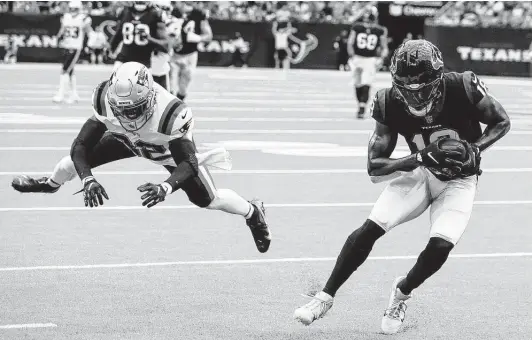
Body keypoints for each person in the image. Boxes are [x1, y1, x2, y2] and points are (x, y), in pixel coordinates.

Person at [293, 40, 511, 334]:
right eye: (405, 84)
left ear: (436, 77)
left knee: (441, 246)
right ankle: (324, 297)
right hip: (420, 172)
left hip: (459, 180)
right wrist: (418, 156)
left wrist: (476, 149)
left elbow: (501, 121)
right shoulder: (388, 101)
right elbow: (375, 166)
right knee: (371, 227)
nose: (413, 91)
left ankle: (401, 292)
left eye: (420, 84)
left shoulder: (463, 86)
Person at [12, 62, 271, 254]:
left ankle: (252, 212)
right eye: (121, 109)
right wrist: (88, 179)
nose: (128, 116)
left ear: (150, 97)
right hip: (126, 140)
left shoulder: (171, 113)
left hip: (164, 149)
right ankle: (50, 184)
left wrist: (165, 186)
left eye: (134, 109)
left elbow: (189, 164)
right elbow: (80, 144)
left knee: (209, 200)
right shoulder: (104, 96)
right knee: (71, 164)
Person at [347, 6, 388, 119]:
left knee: (360, 83)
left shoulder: (357, 27)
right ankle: (362, 106)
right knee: (363, 83)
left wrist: (351, 56)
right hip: (369, 59)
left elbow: (350, 43)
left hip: (360, 58)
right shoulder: (380, 30)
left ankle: (361, 106)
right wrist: (381, 59)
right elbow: (384, 48)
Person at [109, 1, 168, 72]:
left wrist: (150, 39)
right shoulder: (125, 11)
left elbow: (165, 44)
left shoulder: (156, 14)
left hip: (144, 62)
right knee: (116, 82)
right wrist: (110, 48)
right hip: (123, 59)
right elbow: (118, 35)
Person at [53, 0, 93, 103]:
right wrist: (58, 37)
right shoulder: (66, 17)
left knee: (64, 70)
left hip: (75, 48)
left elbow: (90, 32)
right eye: (71, 9)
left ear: (79, 9)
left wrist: (90, 44)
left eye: (75, 9)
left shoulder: (83, 19)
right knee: (70, 72)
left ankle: (61, 94)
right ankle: (74, 94)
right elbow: (62, 29)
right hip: (67, 46)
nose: (73, 11)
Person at [169, 6, 212, 101]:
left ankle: (178, 105)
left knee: (183, 88)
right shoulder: (172, 10)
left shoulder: (199, 14)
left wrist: (197, 38)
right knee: (169, 86)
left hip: (190, 55)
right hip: (173, 54)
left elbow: (209, 36)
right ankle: (169, 108)